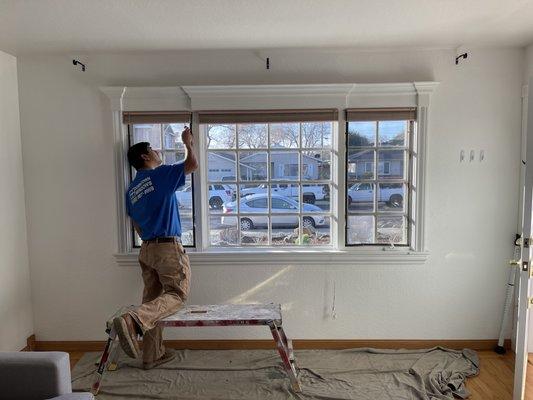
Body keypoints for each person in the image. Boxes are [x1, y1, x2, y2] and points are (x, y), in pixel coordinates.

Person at [113, 126, 198, 370]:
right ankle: (132, 320)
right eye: (153, 149)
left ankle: (152, 355)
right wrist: (187, 143)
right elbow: (191, 165)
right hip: (167, 248)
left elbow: (137, 226)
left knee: (152, 300)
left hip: (147, 249)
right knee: (176, 295)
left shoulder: (132, 191)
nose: (157, 151)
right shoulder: (160, 175)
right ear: (144, 157)